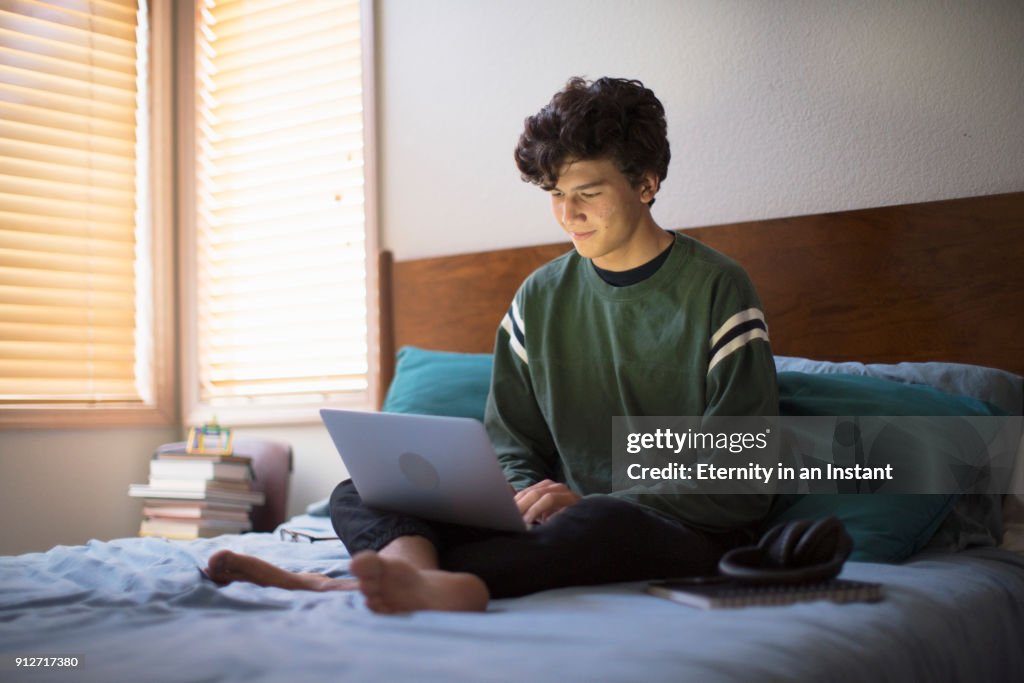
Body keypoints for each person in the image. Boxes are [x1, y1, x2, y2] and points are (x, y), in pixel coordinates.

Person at [205, 76, 779, 613]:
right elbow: (512, 442)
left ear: (647, 184)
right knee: (361, 490)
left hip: (664, 527)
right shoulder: (538, 297)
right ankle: (412, 574)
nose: (567, 214)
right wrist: (520, 499)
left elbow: (741, 474)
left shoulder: (717, 288)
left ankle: (421, 583)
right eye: (555, 194)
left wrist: (590, 503)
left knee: (601, 522)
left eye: (588, 193)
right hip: (550, 522)